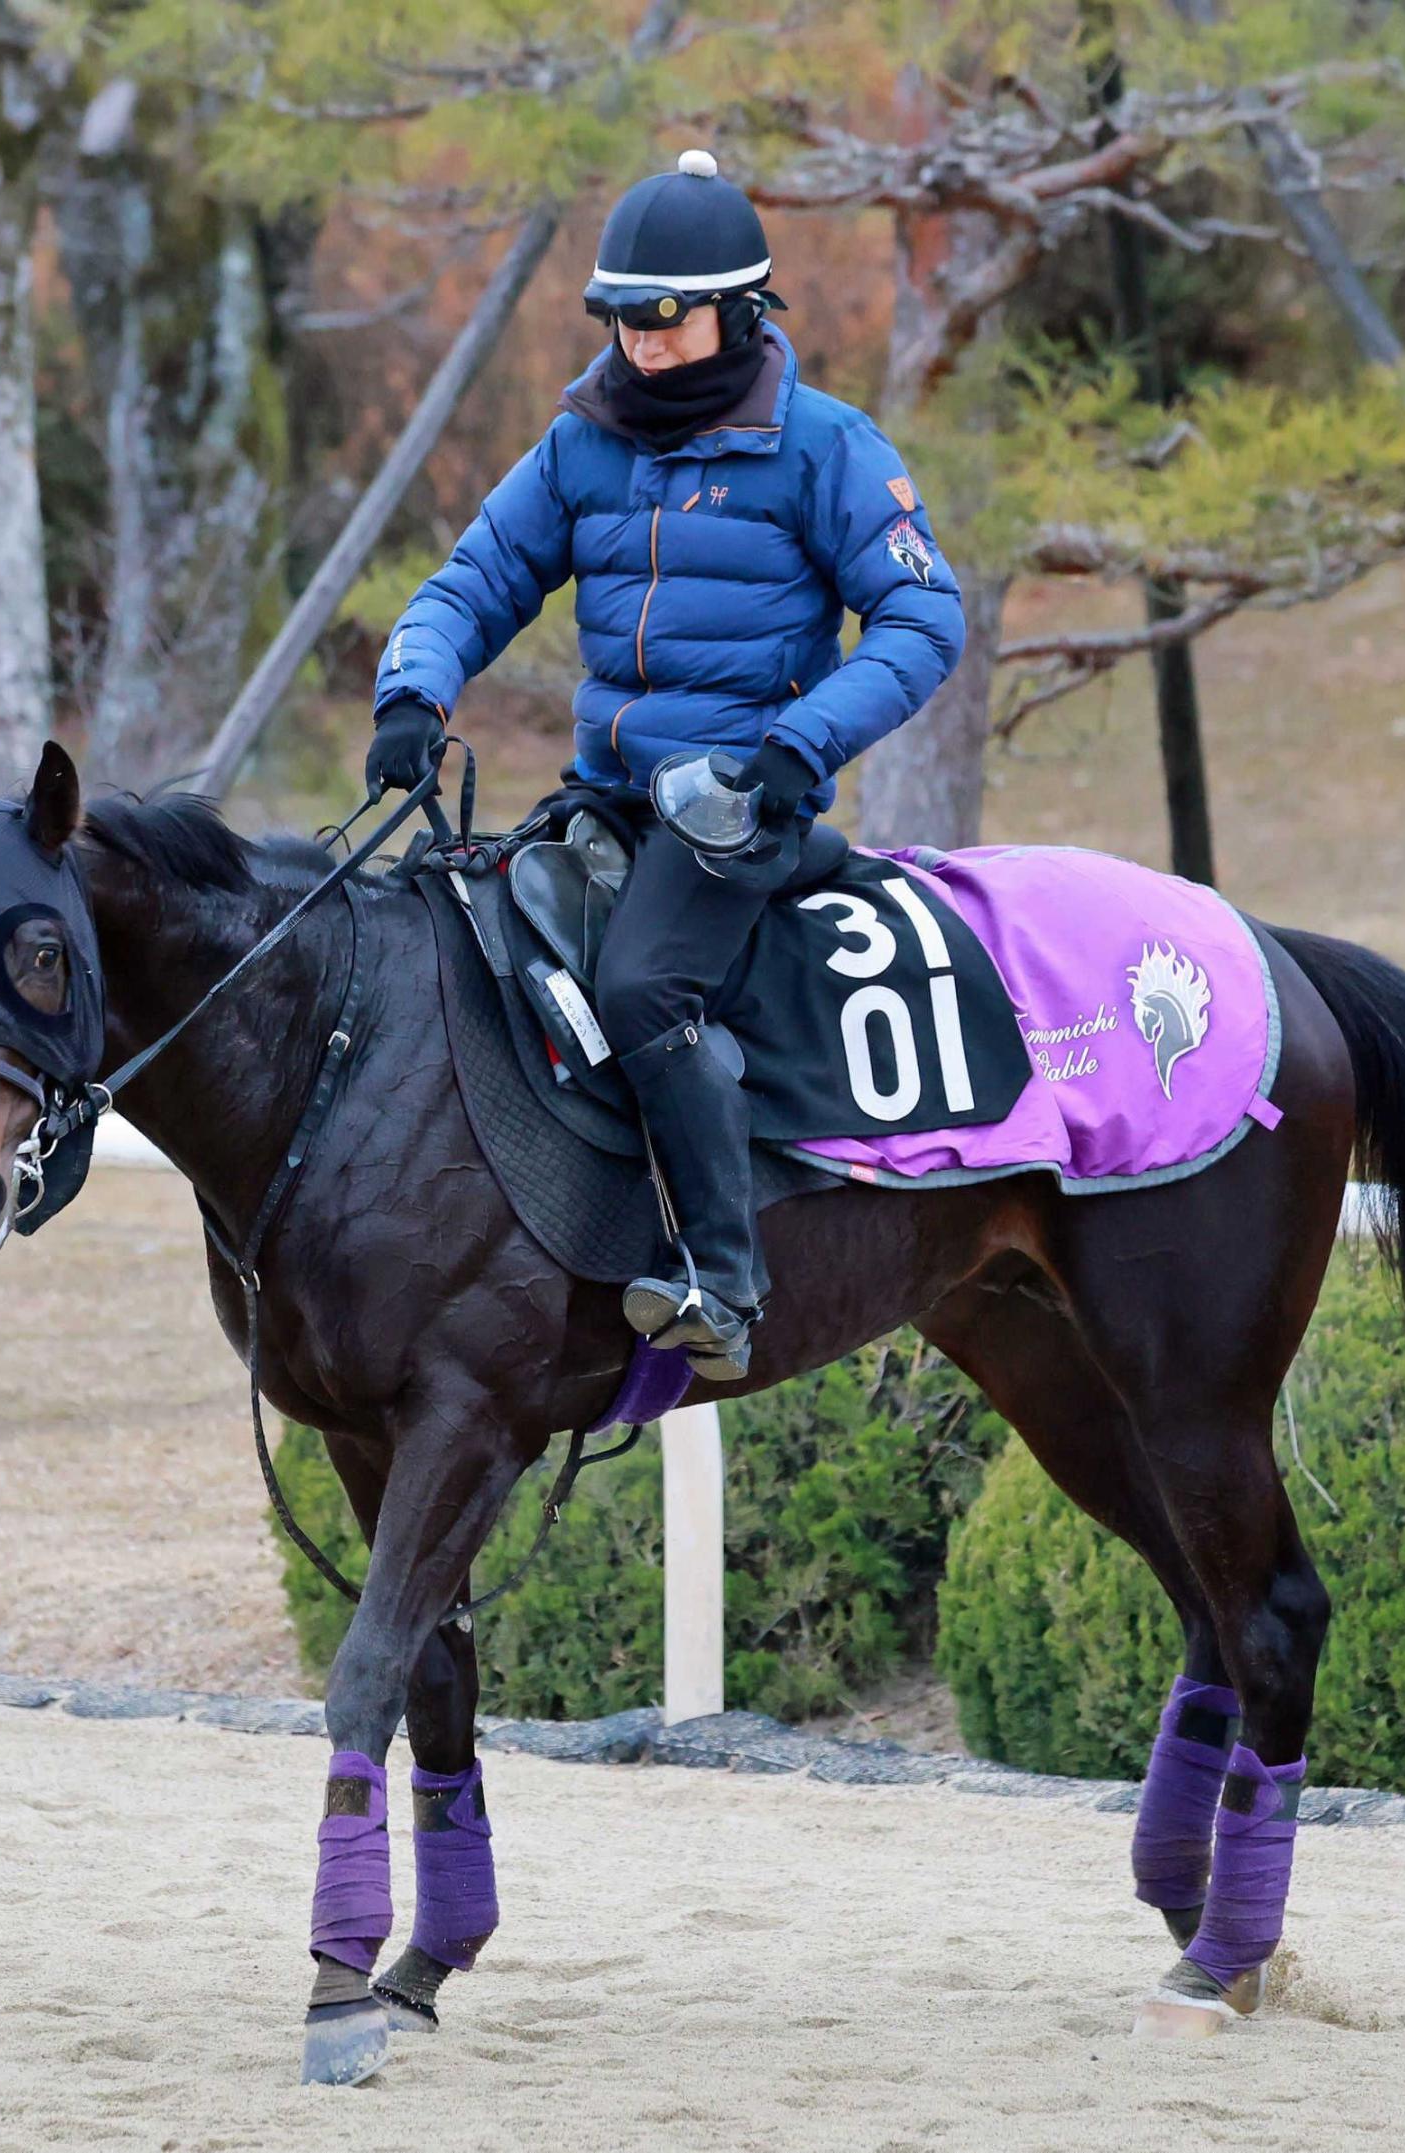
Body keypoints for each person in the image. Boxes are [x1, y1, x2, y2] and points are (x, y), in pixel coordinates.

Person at [367, 149, 965, 1378]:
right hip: (610, 796)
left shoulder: (824, 447)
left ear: (741, 311)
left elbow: (922, 622)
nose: (638, 342)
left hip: (746, 808)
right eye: (619, 319)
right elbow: (474, 582)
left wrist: (797, 751)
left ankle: (724, 1280)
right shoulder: (581, 441)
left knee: (643, 990)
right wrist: (412, 690)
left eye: (662, 318)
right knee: (467, 938)